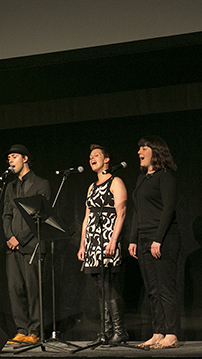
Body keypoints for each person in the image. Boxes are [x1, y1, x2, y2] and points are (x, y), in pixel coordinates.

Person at [128, 136, 180, 349]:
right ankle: (158, 332)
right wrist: (133, 239)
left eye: (144, 148)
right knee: (152, 290)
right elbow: (137, 210)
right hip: (143, 239)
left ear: (155, 151)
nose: (139, 152)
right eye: (139, 148)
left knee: (165, 288)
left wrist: (158, 239)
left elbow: (168, 209)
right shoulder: (142, 179)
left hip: (163, 238)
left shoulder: (165, 177)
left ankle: (171, 333)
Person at [77, 144, 129, 345]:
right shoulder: (92, 187)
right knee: (99, 287)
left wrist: (114, 240)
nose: (92, 158)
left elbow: (121, 213)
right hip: (92, 242)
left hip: (107, 239)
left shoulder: (116, 182)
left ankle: (120, 331)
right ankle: (105, 331)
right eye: (90, 156)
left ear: (107, 159)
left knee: (109, 285)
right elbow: (87, 217)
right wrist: (82, 244)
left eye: (96, 155)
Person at [2, 144, 50, 345]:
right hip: (12, 246)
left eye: (14, 156)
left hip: (32, 245)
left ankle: (35, 330)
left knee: (33, 289)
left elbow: (39, 216)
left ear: (25, 158)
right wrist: (9, 236)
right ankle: (21, 329)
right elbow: (6, 215)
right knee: (15, 289)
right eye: (9, 158)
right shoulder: (10, 187)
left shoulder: (41, 184)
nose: (10, 161)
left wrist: (19, 238)